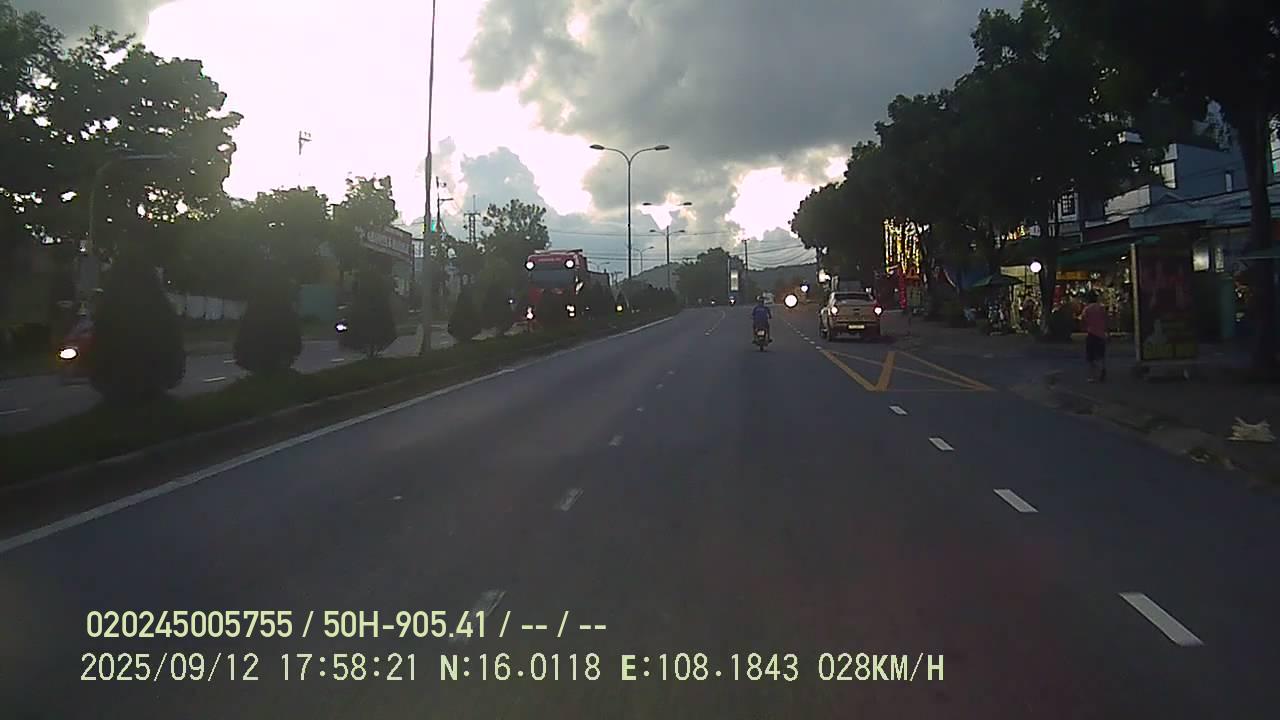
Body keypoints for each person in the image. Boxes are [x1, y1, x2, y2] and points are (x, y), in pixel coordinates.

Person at [1081, 290, 1108, 382]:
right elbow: (1106, 320)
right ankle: (1102, 368)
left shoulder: (1087, 309)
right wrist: (1107, 332)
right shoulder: (1101, 308)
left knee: (1091, 356)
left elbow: (1083, 321)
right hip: (1101, 334)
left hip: (1092, 333)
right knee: (1101, 354)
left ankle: (1093, 375)